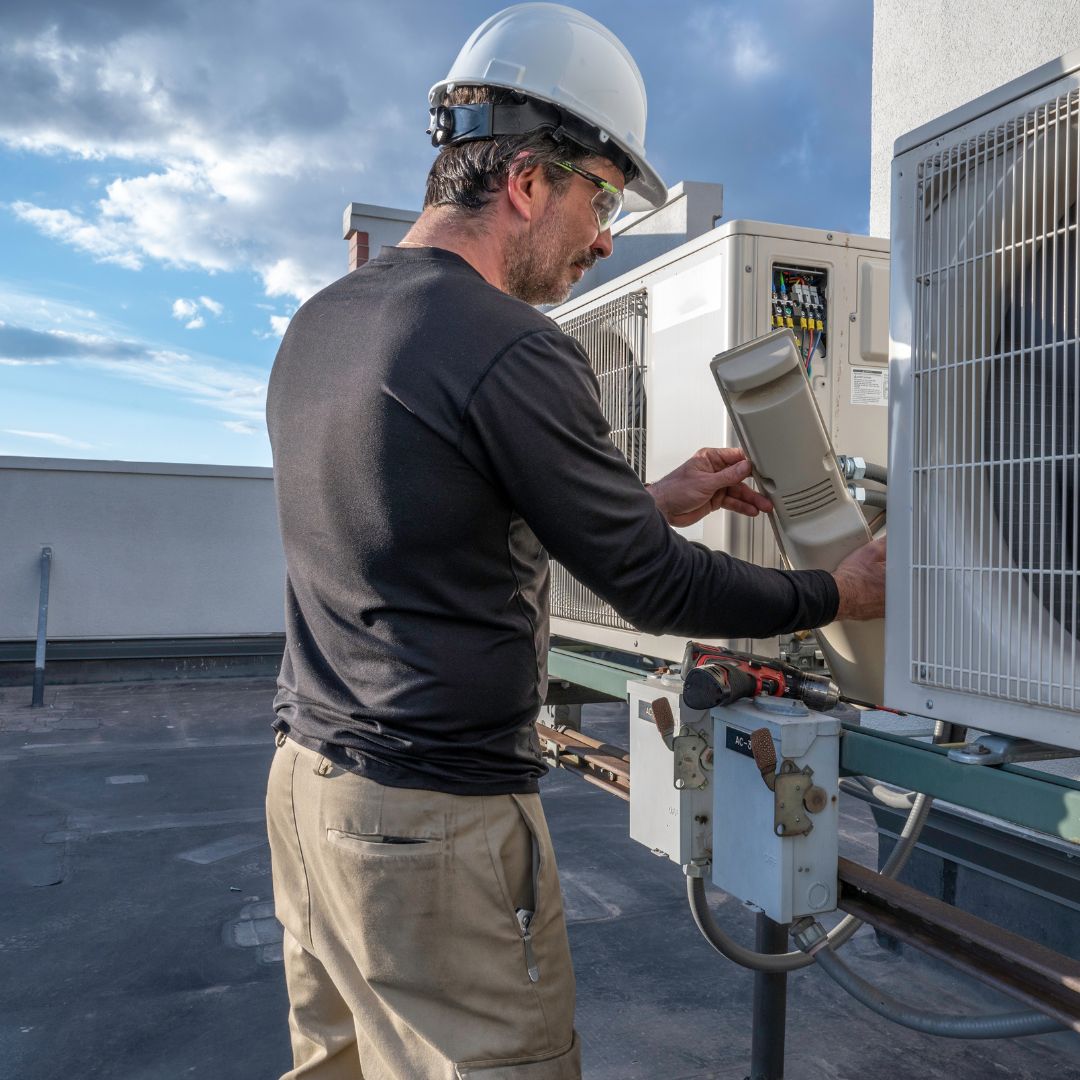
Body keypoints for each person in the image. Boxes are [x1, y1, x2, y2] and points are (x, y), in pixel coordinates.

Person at [264, 5, 886, 1078]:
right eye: (601, 197)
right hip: (430, 830)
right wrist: (836, 593)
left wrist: (646, 501)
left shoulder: (323, 323)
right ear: (526, 183)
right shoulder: (508, 345)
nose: (604, 238)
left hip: (306, 793)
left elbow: (432, 526)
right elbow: (653, 590)